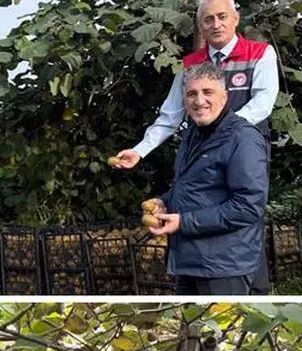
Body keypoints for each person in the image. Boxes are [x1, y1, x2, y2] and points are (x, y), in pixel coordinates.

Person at [115, 0, 278, 293]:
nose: (216, 24)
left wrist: (223, 131)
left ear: (236, 19)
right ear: (200, 26)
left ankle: (254, 287)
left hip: (243, 149)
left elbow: (263, 104)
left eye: (222, 17)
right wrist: (139, 151)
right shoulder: (190, 65)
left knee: (241, 216)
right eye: (208, 20)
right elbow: (170, 116)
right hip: (202, 148)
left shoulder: (259, 54)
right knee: (198, 203)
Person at [146, 62, 268, 295]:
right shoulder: (193, 134)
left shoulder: (242, 138)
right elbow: (193, 187)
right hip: (190, 261)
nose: (199, 101)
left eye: (207, 92)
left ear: (225, 97)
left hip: (225, 266)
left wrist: (184, 222)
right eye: (192, 94)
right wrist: (165, 202)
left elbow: (248, 206)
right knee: (191, 328)